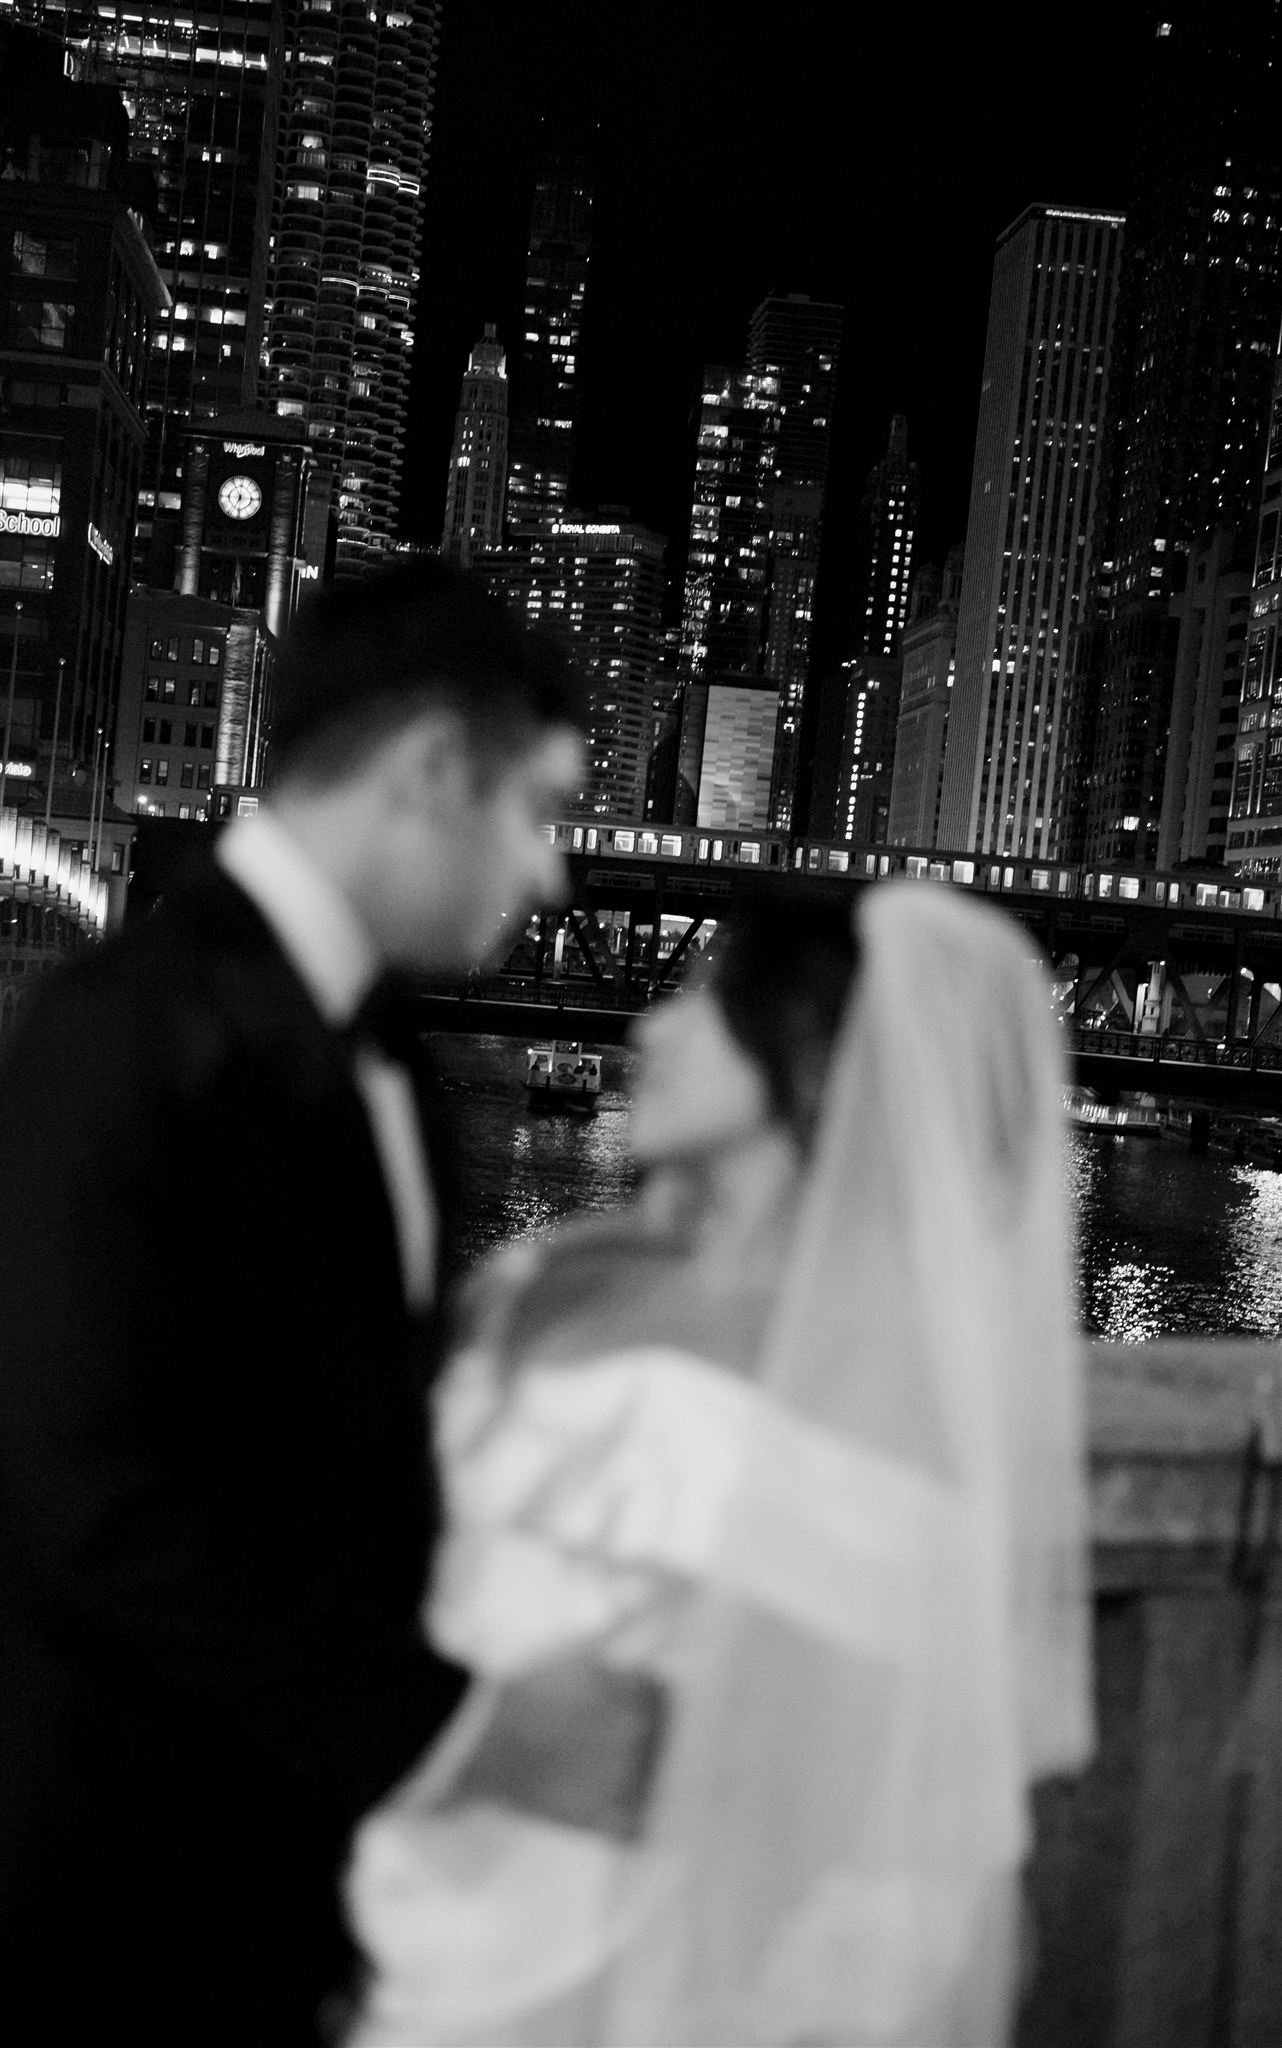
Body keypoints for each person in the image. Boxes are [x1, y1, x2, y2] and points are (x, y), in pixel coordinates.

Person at [344, 879, 1095, 2048]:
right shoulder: (550, 1280)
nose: (649, 1027)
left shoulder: (880, 1394)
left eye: (701, 995)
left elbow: (842, 1781)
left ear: (801, 1042)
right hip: (397, 1896)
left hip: (638, 1962)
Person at [0, 561, 586, 2046]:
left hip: (308, 1882)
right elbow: (78, 1496)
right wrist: (459, 1734)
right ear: (431, 769)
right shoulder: (113, 1037)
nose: (548, 876)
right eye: (540, 813)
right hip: (112, 1880)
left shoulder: (403, 1063)